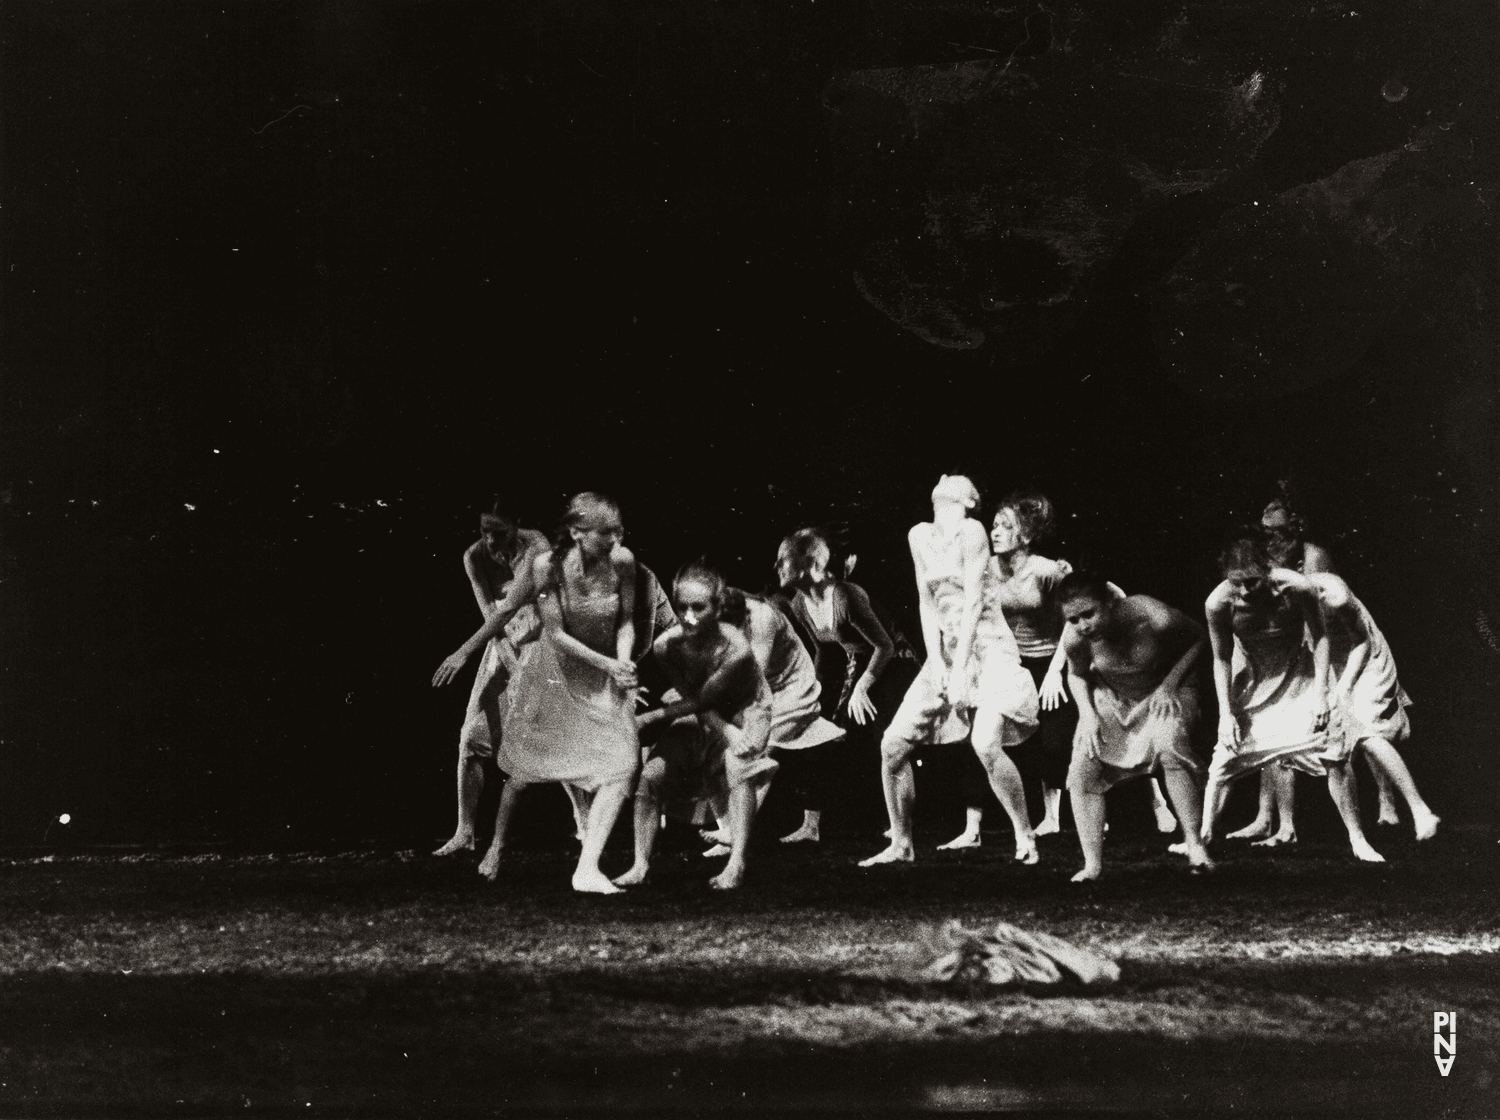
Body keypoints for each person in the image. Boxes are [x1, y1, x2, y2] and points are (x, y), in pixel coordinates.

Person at [859, 475, 1040, 867]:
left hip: (988, 648)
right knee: (892, 747)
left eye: (955, 481)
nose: (943, 479)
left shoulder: (972, 531)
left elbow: (974, 602)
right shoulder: (919, 535)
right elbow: (927, 603)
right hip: (946, 649)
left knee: (985, 742)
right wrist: (938, 661)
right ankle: (902, 844)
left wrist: (959, 672)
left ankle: (1024, 835)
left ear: (970, 499)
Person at [475, 492, 641, 894]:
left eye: (618, 530)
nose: (616, 539)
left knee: (623, 763)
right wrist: (610, 666)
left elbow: (626, 621)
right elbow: (555, 634)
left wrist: (622, 662)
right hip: (552, 675)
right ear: (577, 532)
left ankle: (587, 867)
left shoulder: (623, 561)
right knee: (525, 772)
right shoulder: (546, 566)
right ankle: (496, 846)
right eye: (606, 532)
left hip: (602, 675)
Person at [1198, 535, 1384, 860]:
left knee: (1335, 752)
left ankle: (1358, 839)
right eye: (1236, 582)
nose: (1243, 591)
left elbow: (1321, 636)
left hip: (1300, 677)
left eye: (1251, 582)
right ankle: (1201, 840)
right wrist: (1225, 714)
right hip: (1255, 682)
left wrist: (1320, 695)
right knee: (1223, 762)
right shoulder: (1218, 603)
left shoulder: (1297, 587)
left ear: (1268, 569)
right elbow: (1221, 659)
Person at [614, 562, 776, 891]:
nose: (688, 617)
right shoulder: (665, 646)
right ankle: (640, 865)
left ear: (717, 608)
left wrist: (652, 717)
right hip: (701, 713)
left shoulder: (738, 650)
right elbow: (693, 699)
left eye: (698, 607)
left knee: (737, 766)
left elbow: (703, 701)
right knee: (651, 777)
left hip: (746, 710)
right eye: (681, 607)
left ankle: (737, 863)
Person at [1058, 571, 1214, 880]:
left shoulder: (1152, 615)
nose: (1083, 625)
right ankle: (1092, 865)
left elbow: (1199, 639)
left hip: (1168, 690)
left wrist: (1170, 685)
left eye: (1089, 614)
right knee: (1082, 765)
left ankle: (1195, 846)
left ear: (1109, 603)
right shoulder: (1075, 637)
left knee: (1169, 745)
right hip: (1115, 697)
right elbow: (1076, 674)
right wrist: (1086, 715)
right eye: (1074, 619)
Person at [429, 506, 549, 857]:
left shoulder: (537, 548)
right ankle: (465, 832)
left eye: (500, 531)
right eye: (485, 531)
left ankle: (584, 823)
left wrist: (462, 652)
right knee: (472, 737)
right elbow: (492, 615)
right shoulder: (475, 556)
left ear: (516, 524)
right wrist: (509, 663)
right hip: (501, 641)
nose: (492, 539)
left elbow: (510, 607)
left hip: (543, 638)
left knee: (554, 732)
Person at [1224, 493, 1340, 844]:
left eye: (1275, 529)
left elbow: (1323, 611)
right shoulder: (1259, 561)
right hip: (1264, 647)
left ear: (1294, 526)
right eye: (1264, 529)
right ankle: (1265, 817)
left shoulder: (1312, 556)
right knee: (1265, 732)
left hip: (1303, 648)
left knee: (1309, 738)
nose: (1270, 536)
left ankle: (1288, 825)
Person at [698, 588, 847, 856]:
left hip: (792, 690)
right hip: (756, 690)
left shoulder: (763, 617)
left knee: (757, 747)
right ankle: (728, 834)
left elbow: (754, 674)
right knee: (711, 751)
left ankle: (736, 830)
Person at [774, 528, 895, 843]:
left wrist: (862, 687)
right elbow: (824, 651)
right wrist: (810, 693)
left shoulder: (845, 594)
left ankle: (897, 821)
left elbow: (885, 647)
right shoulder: (800, 603)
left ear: (809, 563)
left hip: (888, 668)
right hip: (854, 666)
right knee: (816, 734)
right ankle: (810, 827)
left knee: (882, 741)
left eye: (783, 560)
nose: (777, 568)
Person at [1306, 570, 1440, 843]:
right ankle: (1386, 811)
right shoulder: (1276, 593)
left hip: (1367, 658)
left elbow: (1362, 642)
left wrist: (1342, 688)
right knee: (1352, 734)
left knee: (1366, 729)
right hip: (1330, 659)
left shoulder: (1334, 595)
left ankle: (1419, 808)